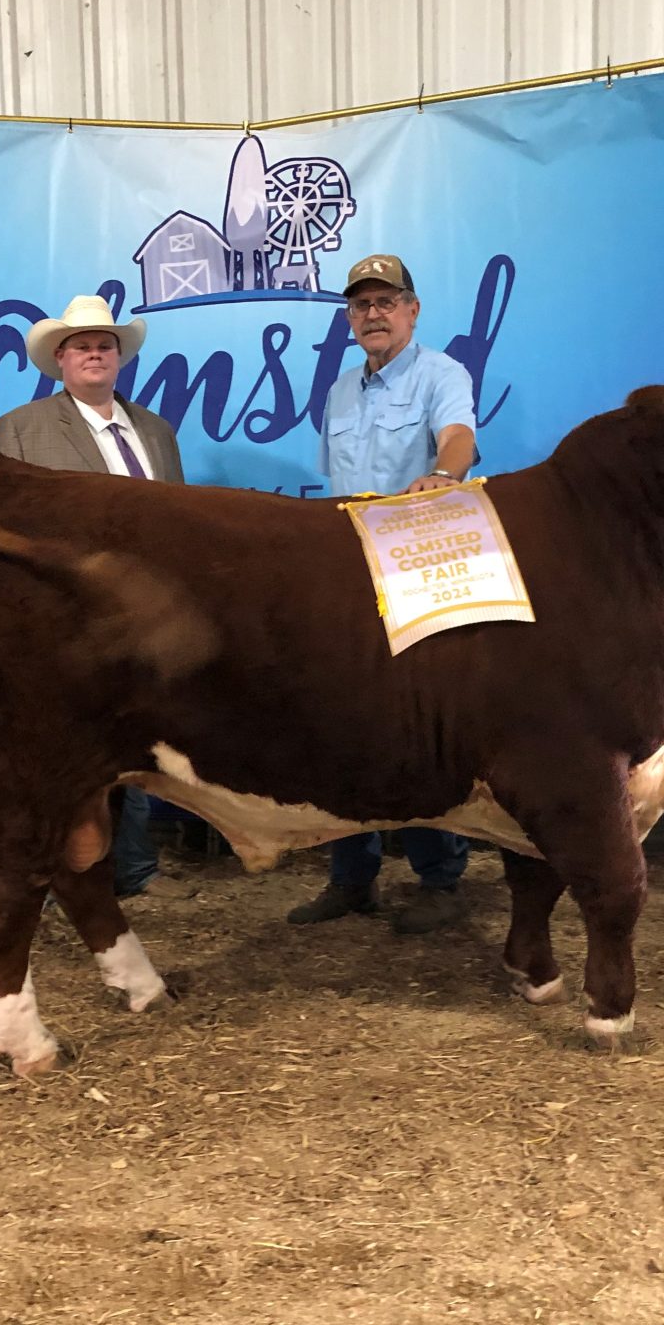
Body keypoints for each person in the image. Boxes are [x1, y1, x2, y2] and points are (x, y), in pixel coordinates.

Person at [286, 253, 480, 937]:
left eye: (386, 301)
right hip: (347, 573)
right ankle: (351, 876)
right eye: (361, 304)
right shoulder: (340, 390)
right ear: (350, 318)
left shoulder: (441, 373)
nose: (373, 313)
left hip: (416, 569)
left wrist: (440, 474)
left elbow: (460, 436)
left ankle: (439, 878)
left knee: (420, 724)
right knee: (341, 722)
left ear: (412, 309)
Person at [0, 295, 195, 901]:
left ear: (119, 356)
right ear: (60, 359)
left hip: (142, 619)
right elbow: (2, 533)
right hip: (60, 620)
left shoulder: (156, 432)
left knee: (135, 744)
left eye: (105, 343)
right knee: (59, 751)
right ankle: (56, 871)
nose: (95, 353)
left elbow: (176, 527)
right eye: (82, 345)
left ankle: (133, 868)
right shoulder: (19, 429)